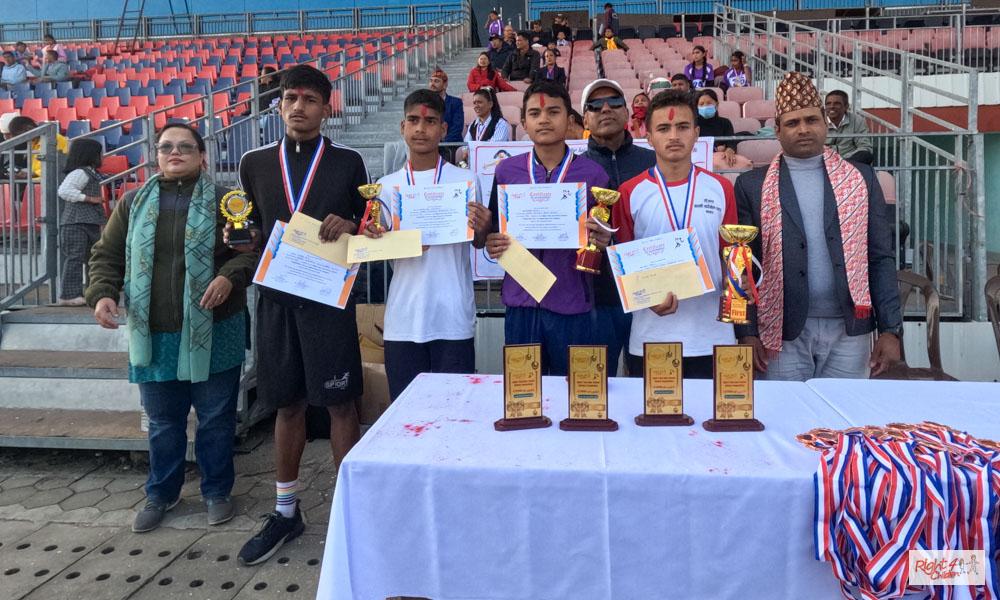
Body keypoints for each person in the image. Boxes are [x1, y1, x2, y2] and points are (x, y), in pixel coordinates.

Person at [86, 123, 256, 533]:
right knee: (164, 421)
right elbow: (106, 254)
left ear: (202, 155)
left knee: (216, 418)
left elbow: (250, 253)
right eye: (166, 147)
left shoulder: (226, 200)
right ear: (156, 155)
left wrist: (228, 277)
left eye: (184, 147)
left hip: (215, 329)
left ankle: (217, 491)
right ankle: (162, 492)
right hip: (155, 330)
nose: (174, 153)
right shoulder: (133, 203)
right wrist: (102, 293)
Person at [236, 65, 369, 565]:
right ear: (278, 104)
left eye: (309, 99)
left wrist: (353, 221)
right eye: (289, 97)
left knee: (340, 405)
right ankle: (286, 511)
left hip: (328, 301)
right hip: (275, 301)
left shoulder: (349, 161)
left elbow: (371, 225)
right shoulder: (254, 163)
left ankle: (350, 509)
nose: (298, 106)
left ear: (326, 107)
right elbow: (247, 227)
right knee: (286, 405)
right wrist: (243, 241)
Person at [734, 72, 902, 381]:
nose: (803, 130)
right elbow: (742, 267)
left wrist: (891, 330)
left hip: (849, 329)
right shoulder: (751, 186)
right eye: (793, 123)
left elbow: (880, 257)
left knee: (843, 422)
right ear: (777, 130)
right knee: (786, 420)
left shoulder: (861, 179)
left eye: (811, 120)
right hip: (781, 331)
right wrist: (747, 331)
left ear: (825, 122)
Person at [363, 90, 492, 399]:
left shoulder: (466, 181)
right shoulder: (387, 186)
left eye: (430, 121)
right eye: (413, 120)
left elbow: (478, 243)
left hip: (452, 316)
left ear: (444, 130)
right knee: (405, 413)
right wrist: (376, 238)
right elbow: (373, 250)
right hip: (404, 318)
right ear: (402, 127)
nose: (421, 129)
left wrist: (484, 228)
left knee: (454, 412)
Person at [479, 82, 612, 375]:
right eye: (535, 113)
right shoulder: (506, 171)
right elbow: (494, 232)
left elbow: (609, 243)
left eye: (553, 111)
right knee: (525, 397)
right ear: (524, 122)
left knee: (575, 398)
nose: (544, 119)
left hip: (573, 303)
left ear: (569, 119)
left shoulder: (594, 175)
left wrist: (604, 243)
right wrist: (492, 243)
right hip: (521, 303)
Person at [614, 90, 739, 379]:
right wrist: (645, 298)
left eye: (682, 127)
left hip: (712, 336)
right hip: (650, 337)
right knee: (652, 421)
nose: (674, 136)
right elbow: (623, 267)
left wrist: (740, 279)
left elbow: (730, 255)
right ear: (648, 136)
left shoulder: (721, 188)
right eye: (663, 128)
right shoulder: (629, 192)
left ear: (696, 133)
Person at [580, 79, 657, 377]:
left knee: (651, 387)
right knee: (599, 387)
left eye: (614, 102)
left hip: (650, 295)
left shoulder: (654, 162)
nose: (606, 109)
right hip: (596, 298)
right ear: (585, 118)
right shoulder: (575, 169)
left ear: (627, 113)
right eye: (595, 105)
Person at [56, 138, 105, 307]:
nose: (102, 156)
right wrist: (89, 198)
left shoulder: (89, 173)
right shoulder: (80, 173)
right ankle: (69, 295)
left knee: (93, 258)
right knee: (75, 258)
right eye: (100, 153)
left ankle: (92, 291)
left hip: (88, 222)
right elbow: (64, 191)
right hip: (75, 222)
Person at [696, 89, 751, 171]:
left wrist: (729, 149)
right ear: (697, 107)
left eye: (709, 103)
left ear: (716, 105)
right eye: (701, 104)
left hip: (722, 159)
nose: (705, 106)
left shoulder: (725, 122)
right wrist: (715, 149)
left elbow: (730, 141)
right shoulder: (693, 124)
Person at [825, 90, 874, 165]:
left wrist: (844, 160)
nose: (831, 106)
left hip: (850, 161)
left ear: (846, 107)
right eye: (828, 104)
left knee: (866, 155)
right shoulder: (818, 120)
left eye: (837, 103)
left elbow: (864, 146)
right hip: (825, 160)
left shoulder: (857, 120)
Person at [428, 68, 464, 145]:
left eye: (436, 81)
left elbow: (457, 128)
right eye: (431, 81)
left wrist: (442, 143)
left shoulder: (456, 103)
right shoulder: (424, 103)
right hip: (430, 145)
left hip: (450, 145)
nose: (432, 84)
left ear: (445, 85)